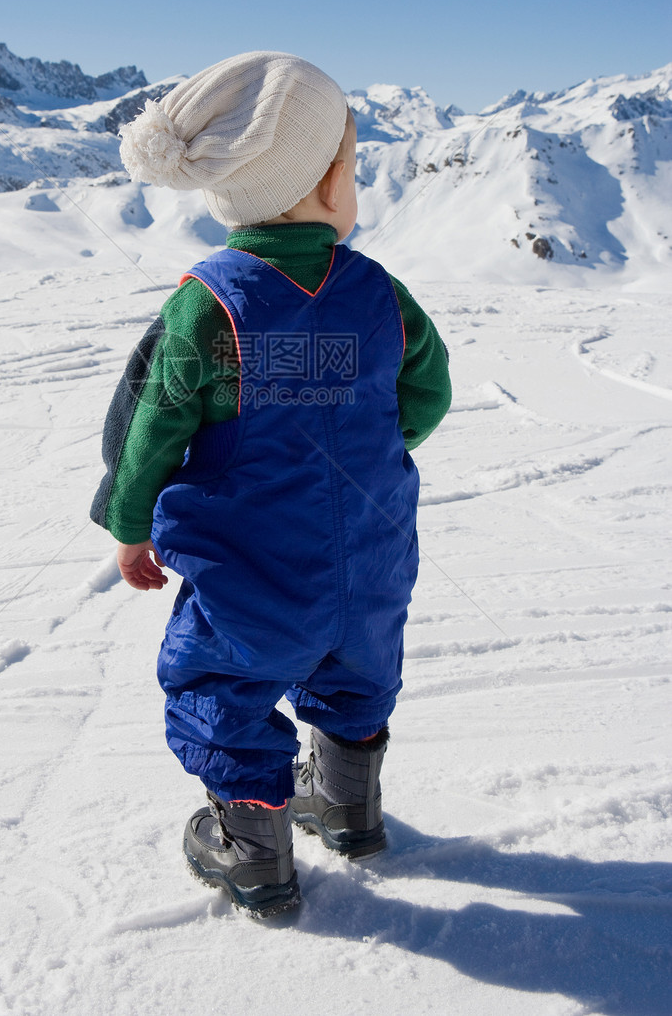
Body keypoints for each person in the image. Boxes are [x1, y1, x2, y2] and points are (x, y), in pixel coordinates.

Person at [90, 51, 451, 917]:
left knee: (225, 686)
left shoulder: (210, 304)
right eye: (354, 168)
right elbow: (428, 392)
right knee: (360, 664)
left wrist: (129, 523)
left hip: (252, 564)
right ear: (328, 189)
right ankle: (350, 808)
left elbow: (151, 426)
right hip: (371, 549)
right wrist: (365, 444)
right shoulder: (379, 292)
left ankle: (254, 856)